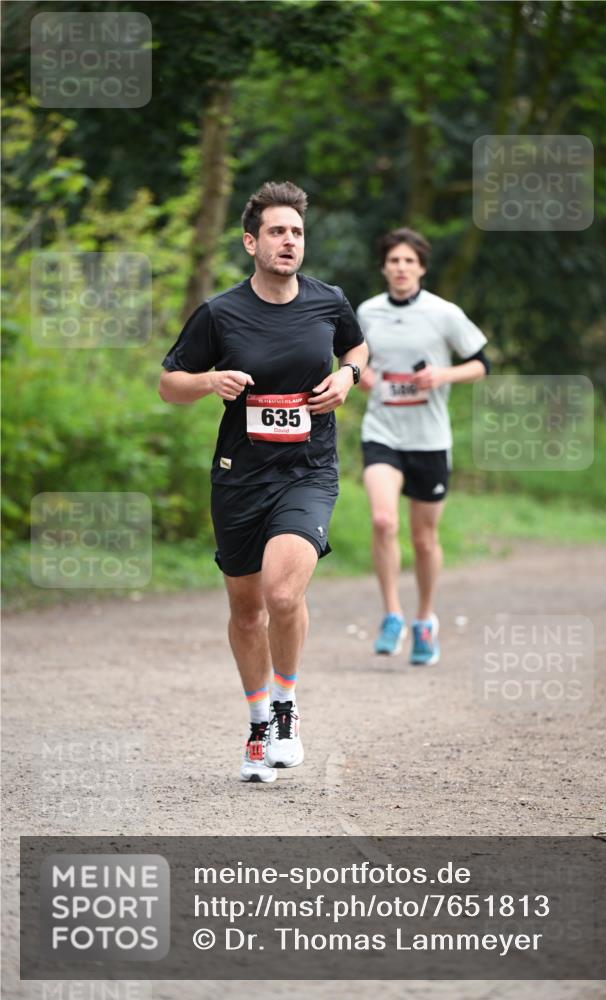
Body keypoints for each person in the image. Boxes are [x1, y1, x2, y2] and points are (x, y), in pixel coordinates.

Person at [159, 181, 367, 782]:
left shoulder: (328, 301)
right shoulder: (220, 313)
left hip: (308, 471)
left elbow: (356, 346)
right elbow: (169, 383)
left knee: (282, 594)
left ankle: (286, 706)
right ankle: (256, 723)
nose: (289, 241)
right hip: (239, 477)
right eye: (277, 231)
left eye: (297, 232)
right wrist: (209, 382)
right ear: (252, 242)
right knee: (247, 610)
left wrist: (349, 375)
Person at [357, 227, 489, 666]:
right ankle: (392, 614)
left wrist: (442, 376)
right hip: (383, 432)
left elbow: (480, 364)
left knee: (425, 538)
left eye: (409, 261)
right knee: (382, 520)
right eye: (393, 261)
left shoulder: (444, 313)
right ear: (383, 267)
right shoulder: (368, 312)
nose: (400, 268)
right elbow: (352, 359)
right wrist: (361, 375)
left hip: (429, 440)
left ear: (422, 268)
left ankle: (425, 619)